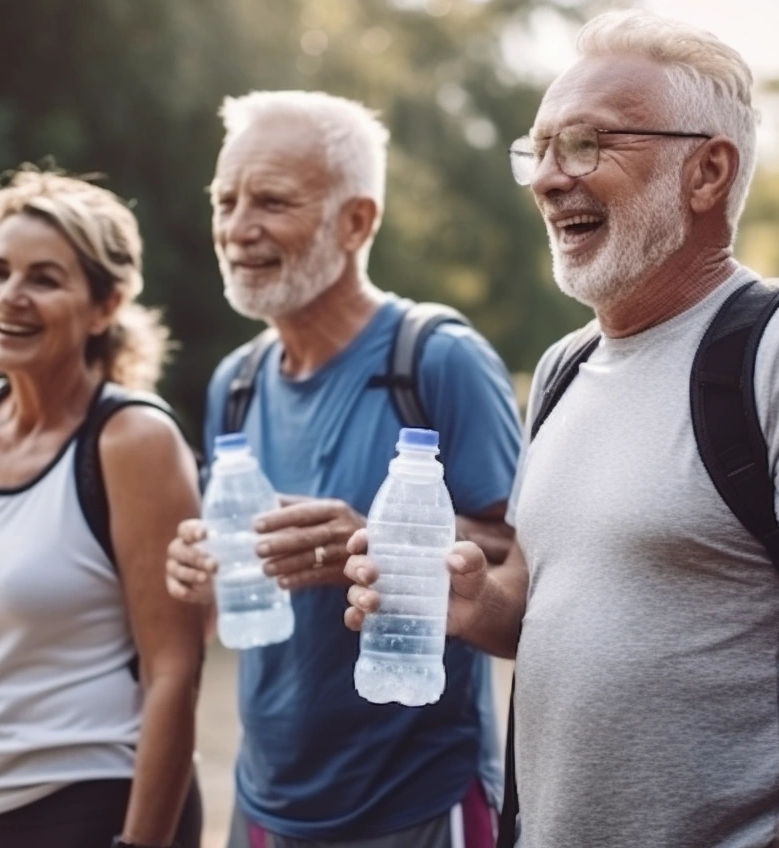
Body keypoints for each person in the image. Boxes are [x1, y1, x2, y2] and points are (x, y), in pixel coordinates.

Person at [345, 10, 779, 847]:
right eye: (540, 149)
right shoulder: (561, 368)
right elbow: (533, 596)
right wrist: (473, 598)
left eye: (588, 145)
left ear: (707, 173)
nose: (549, 178)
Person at [163, 91, 521, 848]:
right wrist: (201, 569)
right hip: (265, 802)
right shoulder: (235, 382)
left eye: (270, 201)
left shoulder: (437, 358)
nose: (236, 228)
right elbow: (231, 600)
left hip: (418, 800)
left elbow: (525, 562)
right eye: (224, 201)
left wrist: (376, 543)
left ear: (357, 221)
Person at [0, 169, 206, 848]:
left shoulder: (134, 441)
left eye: (44, 278)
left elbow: (174, 670)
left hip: (90, 805)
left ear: (105, 306)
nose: (10, 296)